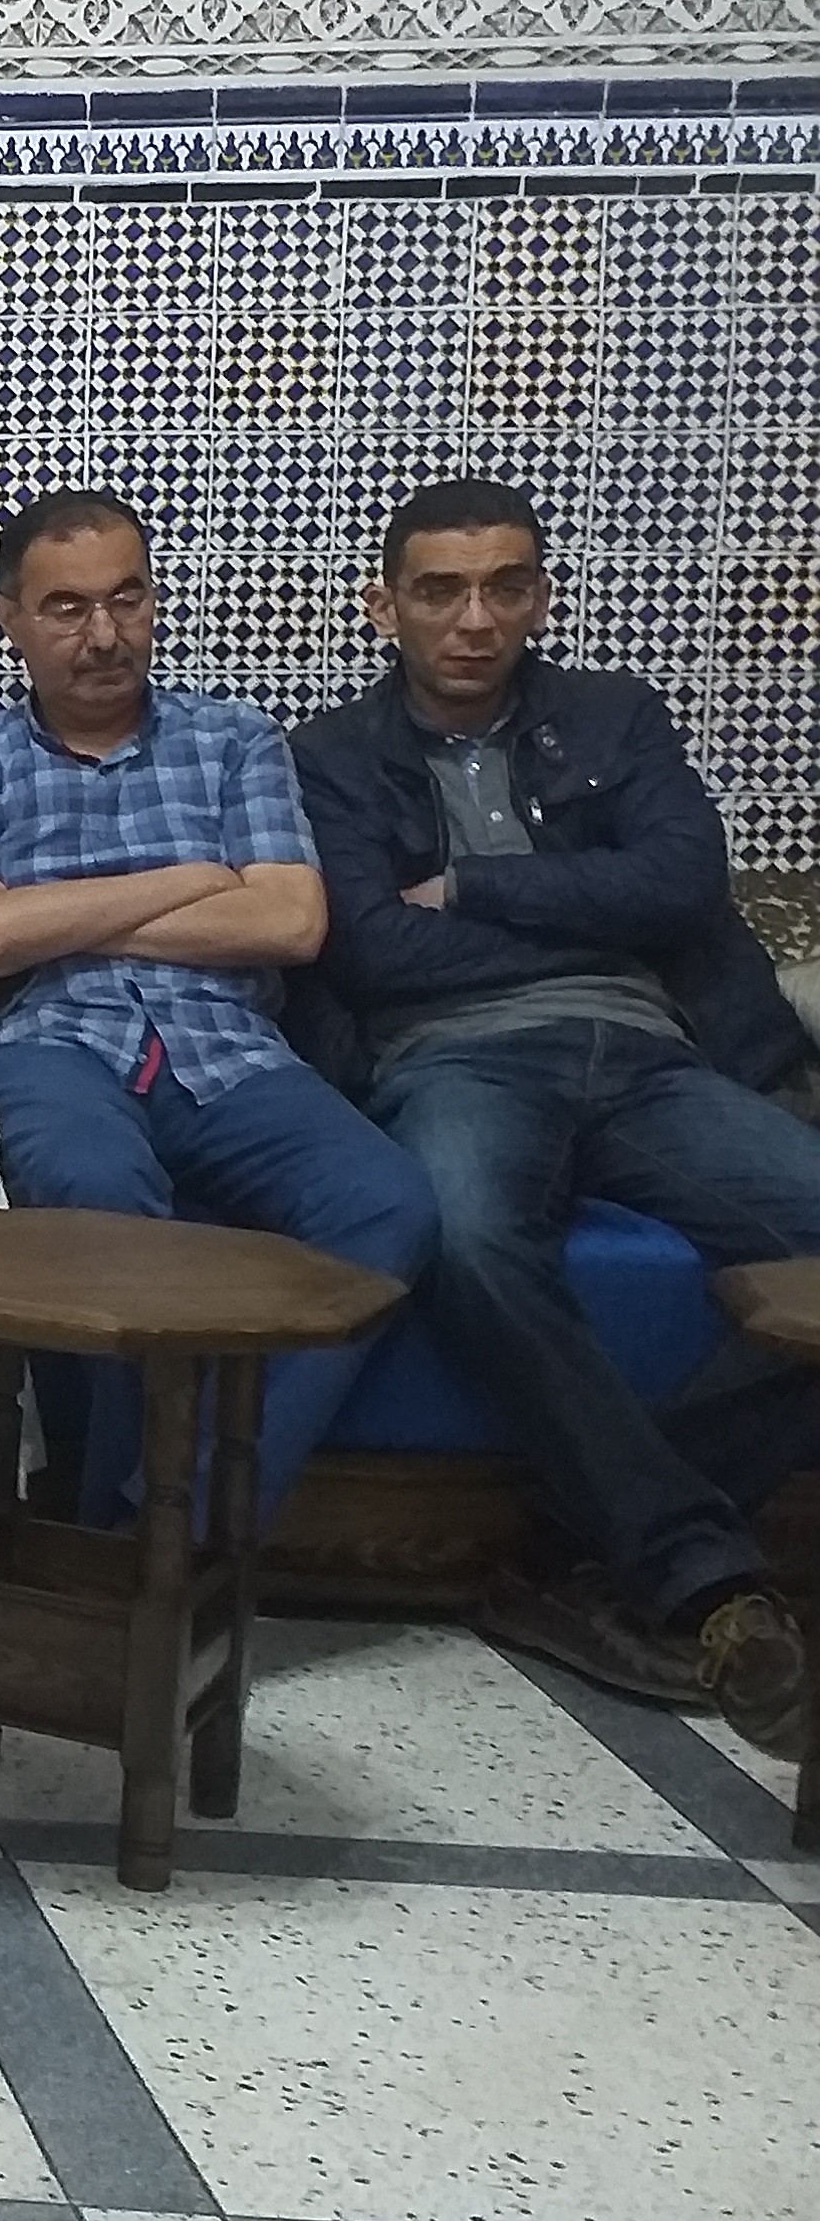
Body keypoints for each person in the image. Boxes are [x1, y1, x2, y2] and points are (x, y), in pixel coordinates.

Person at [289, 478, 810, 1757]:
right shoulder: (331, 755)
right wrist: (590, 909)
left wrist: (473, 887)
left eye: (504, 587)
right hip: (456, 1060)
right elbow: (371, 951)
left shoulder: (614, 717)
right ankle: (687, 1563)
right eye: (441, 591)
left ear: (539, 597)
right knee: (464, 1237)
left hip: (651, 1055)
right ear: (385, 608)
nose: (475, 619)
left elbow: (682, 884)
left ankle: (582, 1544)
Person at [0, 489, 438, 1530]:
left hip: (229, 1045)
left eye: (127, 599)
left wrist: (49, 922)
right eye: (67, 608)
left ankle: (172, 1523)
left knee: (389, 1203)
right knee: (94, 1184)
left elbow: (291, 922)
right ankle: (130, 1539)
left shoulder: (236, 741)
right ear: (10, 619)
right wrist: (198, 877)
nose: (104, 635)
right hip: (50, 1042)